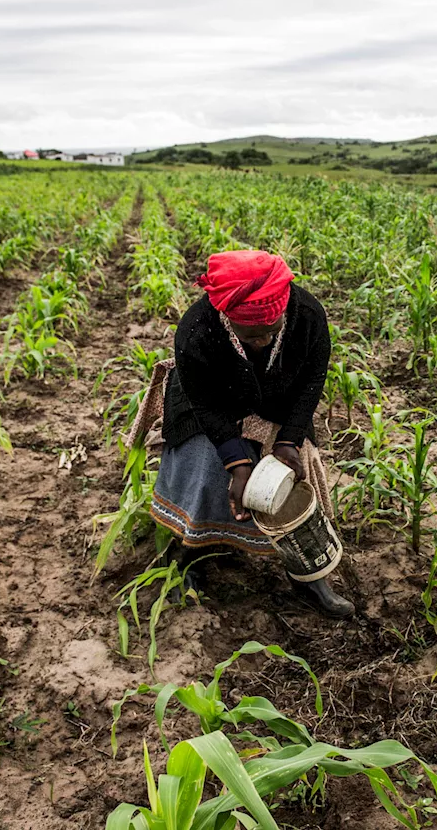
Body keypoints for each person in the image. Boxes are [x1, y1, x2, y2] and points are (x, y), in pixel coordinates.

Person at [149, 249, 354, 618]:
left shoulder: (308, 316)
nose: (260, 342)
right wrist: (237, 462)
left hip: (280, 396)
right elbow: (205, 406)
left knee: (292, 475)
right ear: (228, 317)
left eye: (269, 333)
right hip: (211, 399)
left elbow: (311, 383)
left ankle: (306, 571)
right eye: (250, 335)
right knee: (206, 460)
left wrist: (289, 441)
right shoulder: (196, 330)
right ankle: (189, 553)